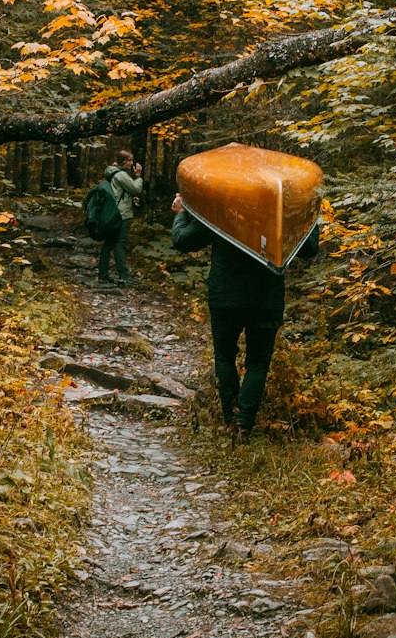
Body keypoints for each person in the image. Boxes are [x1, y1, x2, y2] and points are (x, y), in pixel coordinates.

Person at [172, 192, 320, 443]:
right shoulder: (279, 212)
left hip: (226, 297)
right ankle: (244, 424)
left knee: (224, 356)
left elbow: (183, 240)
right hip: (266, 299)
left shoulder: (224, 207)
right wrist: (311, 218)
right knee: (258, 363)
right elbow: (309, 248)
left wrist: (181, 214)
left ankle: (231, 418)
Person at [98, 150, 143, 286]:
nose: (131, 163)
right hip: (121, 215)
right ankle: (123, 276)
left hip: (112, 213)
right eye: (129, 160)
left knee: (109, 244)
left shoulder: (112, 173)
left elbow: (122, 192)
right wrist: (138, 176)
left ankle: (103, 275)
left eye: (131, 160)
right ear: (123, 161)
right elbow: (136, 188)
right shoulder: (121, 174)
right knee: (119, 244)